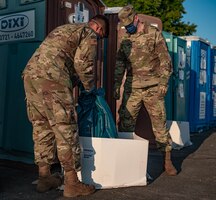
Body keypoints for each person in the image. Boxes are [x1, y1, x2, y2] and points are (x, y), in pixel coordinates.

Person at [22, 15, 109, 197]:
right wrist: (89, 88)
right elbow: (82, 63)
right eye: (101, 36)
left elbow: (65, 59)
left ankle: (44, 177)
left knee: (42, 127)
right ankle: (72, 183)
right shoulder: (89, 33)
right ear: (99, 29)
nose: (98, 39)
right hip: (53, 79)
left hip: (31, 77)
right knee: (65, 128)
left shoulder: (65, 29)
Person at [114, 5, 177, 176]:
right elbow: (120, 63)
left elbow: (165, 60)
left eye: (129, 24)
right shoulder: (125, 37)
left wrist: (164, 83)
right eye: (125, 26)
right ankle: (126, 161)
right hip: (132, 88)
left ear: (136, 18)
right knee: (125, 124)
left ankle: (167, 161)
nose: (128, 28)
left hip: (153, 87)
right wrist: (116, 85)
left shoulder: (153, 33)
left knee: (159, 125)